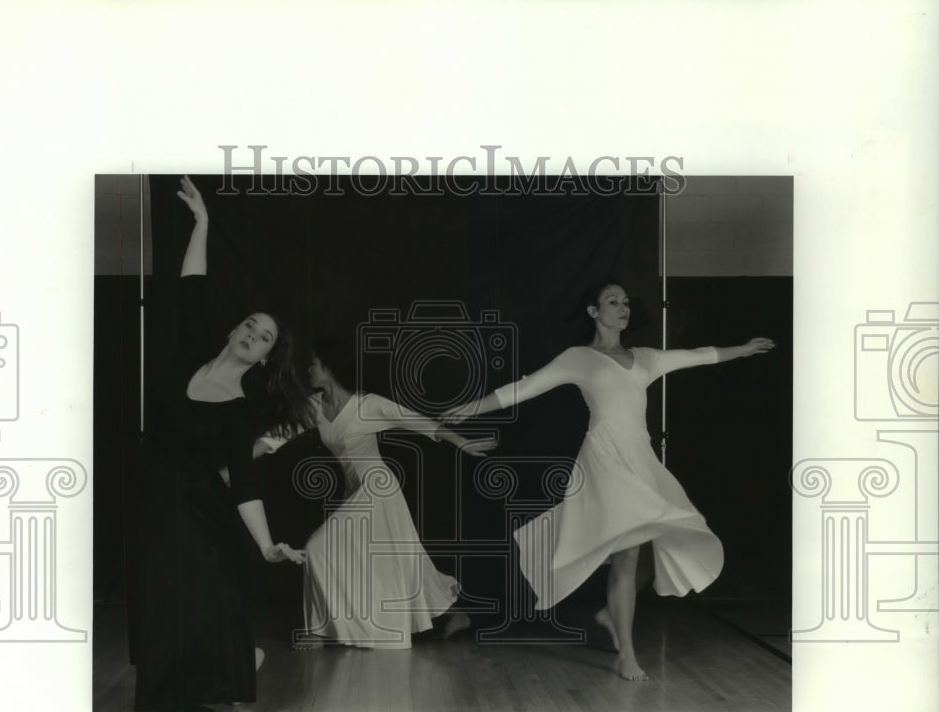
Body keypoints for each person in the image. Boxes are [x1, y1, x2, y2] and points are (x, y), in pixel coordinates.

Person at [443, 282, 775, 681]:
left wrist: (742, 349)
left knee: (659, 543)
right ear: (593, 311)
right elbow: (525, 388)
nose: (623, 307)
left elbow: (697, 356)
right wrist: (472, 407)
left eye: (626, 302)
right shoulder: (579, 358)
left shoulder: (645, 358)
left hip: (641, 461)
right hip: (604, 459)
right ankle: (626, 656)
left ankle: (608, 613)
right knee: (629, 553)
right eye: (612, 301)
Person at [129, 176, 313, 712]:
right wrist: (203, 223)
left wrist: (267, 545)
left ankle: (217, 680)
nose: (252, 334)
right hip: (155, 500)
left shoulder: (237, 411)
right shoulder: (190, 355)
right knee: (158, 603)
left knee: (203, 600)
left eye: (264, 337)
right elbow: (192, 287)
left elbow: (245, 484)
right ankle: (167, 700)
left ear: (263, 358)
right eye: (249, 326)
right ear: (234, 329)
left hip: (202, 513)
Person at [288, 338, 495, 650]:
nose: (308, 369)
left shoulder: (368, 405)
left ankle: (319, 630)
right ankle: (455, 614)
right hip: (353, 492)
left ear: (328, 368)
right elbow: (277, 436)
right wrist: (232, 468)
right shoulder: (313, 406)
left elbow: (419, 422)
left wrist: (461, 442)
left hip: (378, 489)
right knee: (397, 560)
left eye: (313, 363)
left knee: (317, 548)